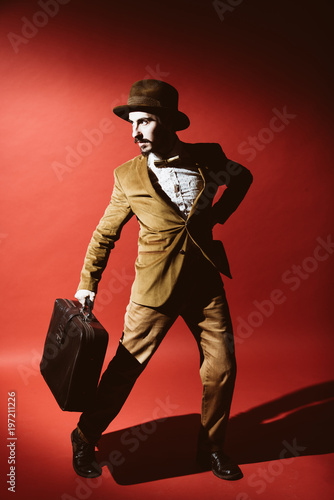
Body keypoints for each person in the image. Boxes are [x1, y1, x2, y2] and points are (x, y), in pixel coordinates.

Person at [71, 79, 253, 481]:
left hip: (205, 283)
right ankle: (84, 436)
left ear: (169, 122)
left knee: (222, 368)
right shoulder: (127, 177)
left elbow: (243, 177)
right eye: (132, 123)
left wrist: (217, 215)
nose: (135, 132)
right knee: (126, 369)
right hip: (154, 289)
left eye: (146, 121)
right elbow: (104, 234)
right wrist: (88, 284)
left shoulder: (208, 157)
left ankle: (211, 449)